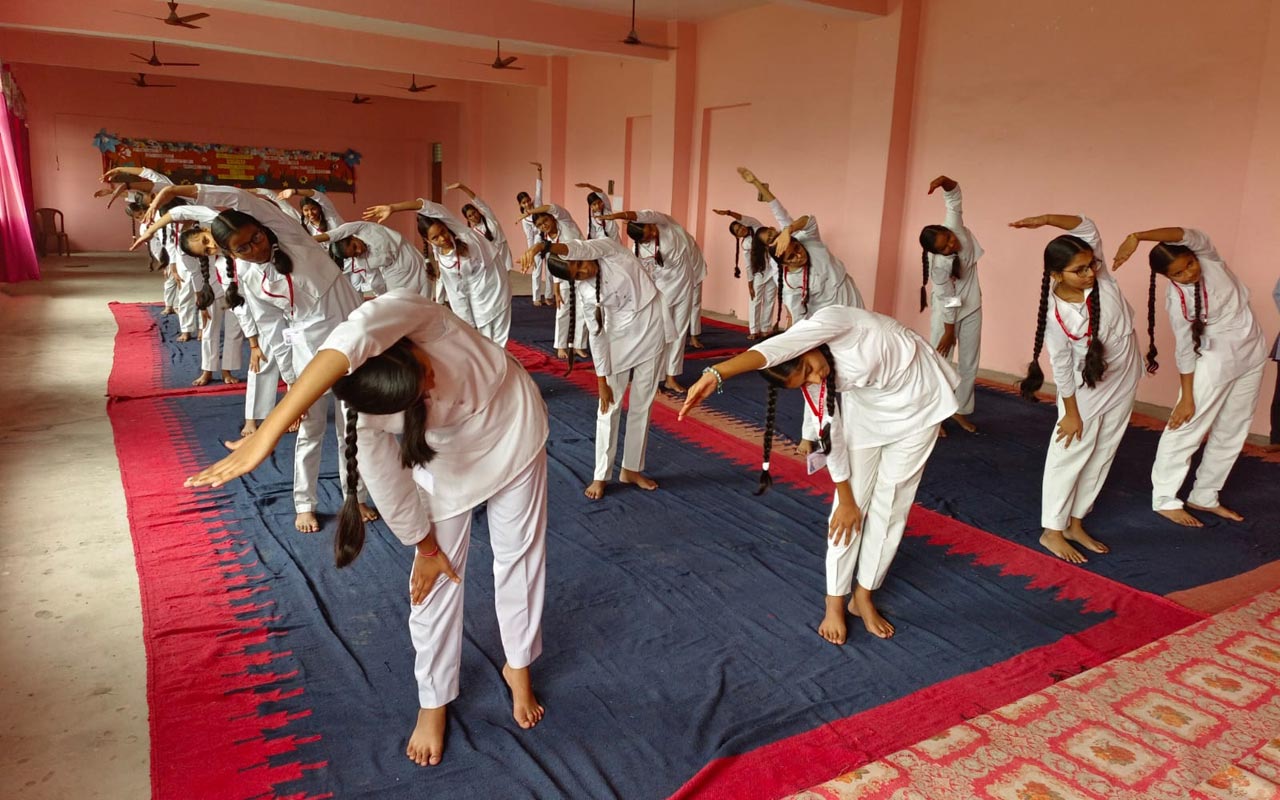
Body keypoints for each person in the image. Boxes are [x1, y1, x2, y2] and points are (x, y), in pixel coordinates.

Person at [184, 290, 549, 768]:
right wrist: (424, 545)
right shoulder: (369, 419)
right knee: (436, 577)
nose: (433, 378)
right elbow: (394, 493)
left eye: (421, 369)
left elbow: (347, 338)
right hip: (446, 456)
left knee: (519, 552)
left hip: (512, 419)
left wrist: (270, 429)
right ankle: (433, 699)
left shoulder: (413, 317)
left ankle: (518, 663)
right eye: (422, 388)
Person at [680, 305, 959, 644]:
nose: (816, 378)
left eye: (810, 369)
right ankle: (835, 601)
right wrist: (844, 497)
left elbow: (775, 348)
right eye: (806, 381)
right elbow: (832, 437)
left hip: (920, 399)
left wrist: (718, 372)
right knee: (848, 512)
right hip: (868, 409)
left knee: (893, 503)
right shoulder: (816, 381)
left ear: (803, 346)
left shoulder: (833, 320)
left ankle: (864, 595)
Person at [143, 183, 376, 533]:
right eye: (242, 248)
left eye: (256, 238)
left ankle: (354, 497)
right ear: (230, 254)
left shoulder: (292, 237)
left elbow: (241, 201)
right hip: (307, 353)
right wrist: (292, 381)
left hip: (353, 342)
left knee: (353, 428)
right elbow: (273, 332)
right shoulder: (251, 277)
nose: (255, 248)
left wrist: (178, 190)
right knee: (310, 432)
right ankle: (305, 503)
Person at [1113, 226, 1268, 526]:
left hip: (1253, 350)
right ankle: (1165, 498)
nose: (1189, 273)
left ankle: (1205, 495)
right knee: (1187, 426)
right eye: (1179, 273)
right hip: (1216, 359)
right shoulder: (1177, 302)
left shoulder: (1209, 258)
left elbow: (1183, 233)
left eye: (1189, 265)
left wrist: (1138, 236)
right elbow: (1185, 351)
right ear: (1168, 278)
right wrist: (1186, 397)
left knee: (1234, 428)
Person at [1009, 214, 1142, 563]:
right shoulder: (1056, 317)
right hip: (1089, 385)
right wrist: (1070, 411)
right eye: (1079, 270)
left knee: (1104, 450)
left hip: (1126, 374)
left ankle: (1075, 521)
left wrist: (1049, 219)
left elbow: (1087, 226)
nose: (1089, 274)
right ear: (1056, 274)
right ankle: (1051, 530)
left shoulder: (1100, 280)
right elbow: (1063, 367)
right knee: (1070, 452)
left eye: (1090, 265)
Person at [518, 237, 674, 499]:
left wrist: (542, 247)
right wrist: (601, 378)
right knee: (609, 408)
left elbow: (580, 248)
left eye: (580, 265)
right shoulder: (587, 293)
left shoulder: (609, 250)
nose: (584, 271)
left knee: (642, 404)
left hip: (651, 326)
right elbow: (597, 336)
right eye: (576, 275)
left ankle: (631, 468)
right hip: (618, 343)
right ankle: (601, 474)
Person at [365, 198, 512, 346]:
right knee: (481, 334)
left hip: (495, 278)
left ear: (446, 226)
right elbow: (457, 294)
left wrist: (393, 207)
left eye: (443, 232)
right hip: (478, 289)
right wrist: (468, 325)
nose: (443, 238)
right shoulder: (444, 259)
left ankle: (501, 363)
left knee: (498, 338)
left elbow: (424, 205)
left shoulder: (460, 231)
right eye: (435, 238)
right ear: (428, 241)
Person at [601, 209, 708, 394]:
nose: (652, 234)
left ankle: (671, 377)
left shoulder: (666, 225)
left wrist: (620, 216)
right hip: (662, 292)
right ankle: (652, 379)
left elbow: (646, 214)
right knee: (658, 335)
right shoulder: (641, 248)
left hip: (684, 286)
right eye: (646, 237)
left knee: (679, 333)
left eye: (650, 230)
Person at [919, 176, 983, 433]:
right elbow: (948, 300)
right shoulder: (939, 268)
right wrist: (948, 329)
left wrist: (944, 182)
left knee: (969, 363)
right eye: (945, 247)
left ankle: (958, 410)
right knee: (940, 360)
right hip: (946, 312)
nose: (951, 244)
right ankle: (933, 415)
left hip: (973, 307)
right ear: (936, 253)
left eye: (948, 239)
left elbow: (954, 199)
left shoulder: (954, 229)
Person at [523, 203, 589, 359]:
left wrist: (530, 211)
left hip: (584, 271)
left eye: (545, 220)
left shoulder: (566, 225)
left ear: (552, 218)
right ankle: (561, 345)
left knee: (583, 310)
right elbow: (555, 268)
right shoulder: (546, 242)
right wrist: (556, 291)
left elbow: (555, 208)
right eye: (539, 225)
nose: (543, 226)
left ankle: (578, 345)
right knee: (562, 311)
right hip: (565, 276)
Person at [318, 221, 434, 298]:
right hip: (396, 274)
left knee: (425, 297)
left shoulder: (363, 228)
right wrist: (383, 298)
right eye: (354, 255)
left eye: (355, 246)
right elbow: (376, 282)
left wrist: (311, 239)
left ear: (352, 237)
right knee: (400, 303)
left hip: (409, 255)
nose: (358, 252)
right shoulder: (363, 262)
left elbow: (336, 234)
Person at [713, 208, 775, 340]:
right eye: (737, 231)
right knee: (755, 300)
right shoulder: (746, 244)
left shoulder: (756, 227)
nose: (741, 229)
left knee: (770, 300)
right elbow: (748, 266)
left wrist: (729, 213)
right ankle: (754, 330)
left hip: (773, 270)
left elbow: (743, 218)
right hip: (759, 273)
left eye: (740, 226)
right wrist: (750, 284)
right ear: (737, 236)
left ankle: (765, 329)